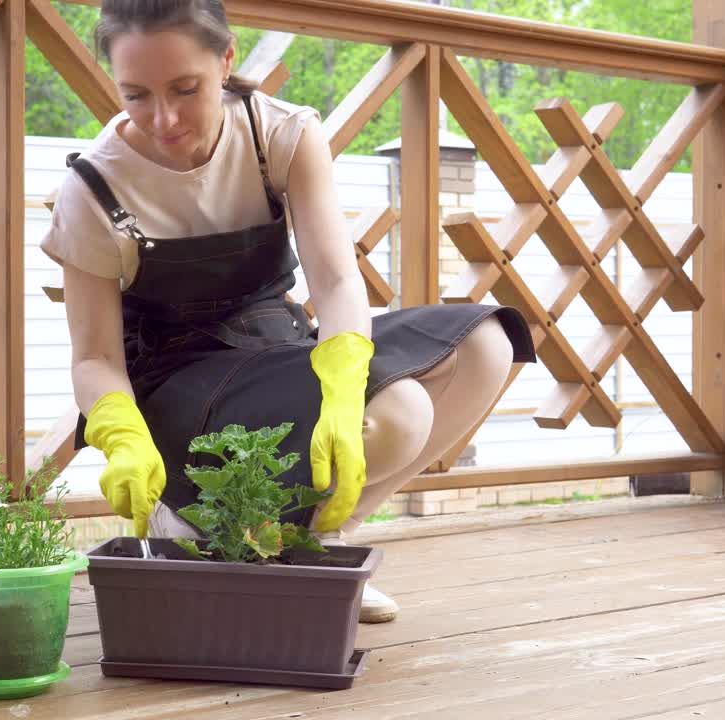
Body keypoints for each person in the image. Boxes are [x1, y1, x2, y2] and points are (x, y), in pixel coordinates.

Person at [41, 0, 536, 624]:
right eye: (136, 94)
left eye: (185, 89)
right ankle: (191, 522)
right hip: (175, 383)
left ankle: (313, 547)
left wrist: (343, 365)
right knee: (403, 411)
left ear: (225, 60)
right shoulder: (93, 187)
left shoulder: (279, 133)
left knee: (485, 343)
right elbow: (93, 356)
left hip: (275, 348)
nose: (163, 119)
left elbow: (332, 276)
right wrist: (118, 431)